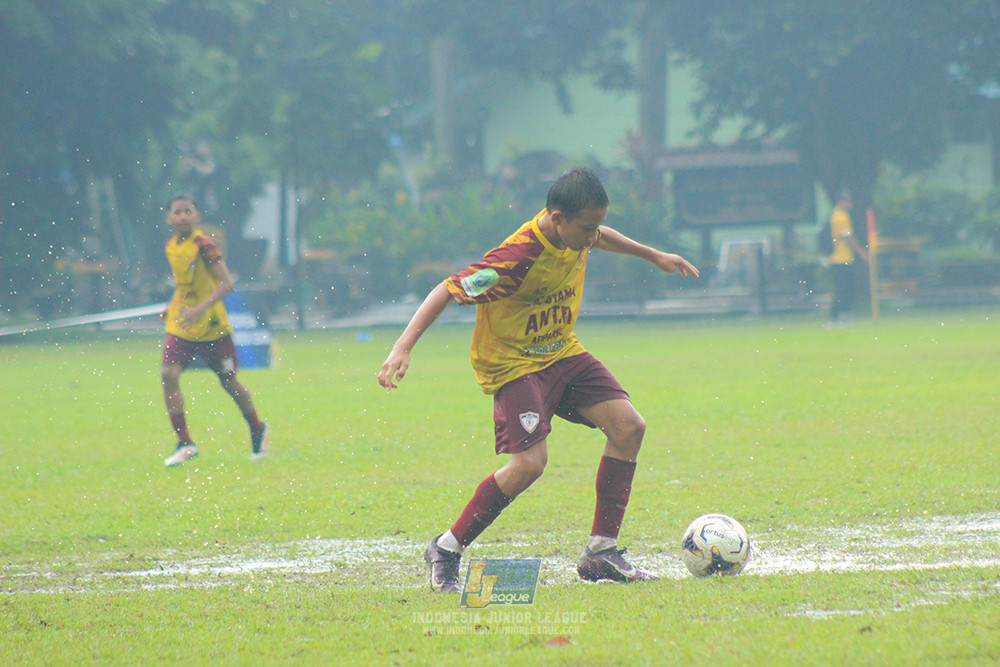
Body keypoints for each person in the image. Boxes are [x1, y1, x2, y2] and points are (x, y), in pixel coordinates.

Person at [377, 168, 699, 591]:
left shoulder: (579, 230)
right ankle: (446, 548)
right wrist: (402, 348)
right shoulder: (516, 258)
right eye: (586, 228)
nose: (592, 237)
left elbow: (602, 236)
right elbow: (446, 290)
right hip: (514, 364)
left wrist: (652, 254)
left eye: (596, 225)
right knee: (529, 465)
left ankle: (601, 551)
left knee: (628, 427)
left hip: (561, 351)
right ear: (557, 217)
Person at [160, 196, 269, 467]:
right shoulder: (171, 246)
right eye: (178, 212)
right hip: (182, 325)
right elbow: (183, 283)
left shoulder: (204, 245)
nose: (183, 216)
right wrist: (171, 305)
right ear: (169, 218)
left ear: (196, 216)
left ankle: (257, 428)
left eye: (188, 211)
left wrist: (199, 309)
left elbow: (227, 283)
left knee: (229, 382)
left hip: (212, 328)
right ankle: (184, 442)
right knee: (168, 374)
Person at [826, 188, 868, 327]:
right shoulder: (840, 217)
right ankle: (835, 316)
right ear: (840, 201)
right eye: (847, 201)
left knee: (848, 288)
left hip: (844, 258)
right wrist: (862, 252)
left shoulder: (839, 215)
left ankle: (841, 314)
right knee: (842, 289)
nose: (850, 203)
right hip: (840, 259)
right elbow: (848, 237)